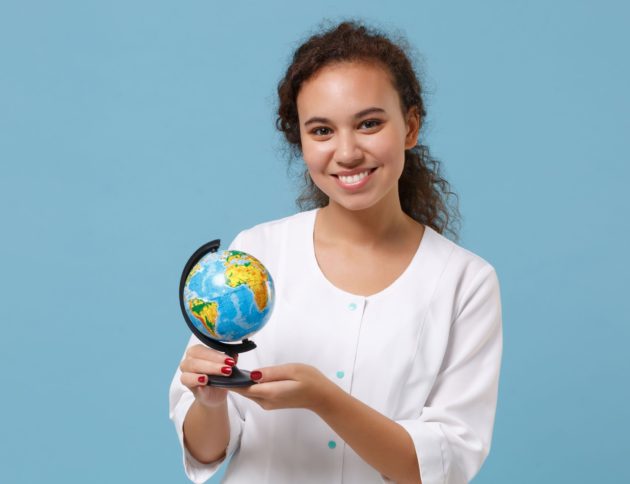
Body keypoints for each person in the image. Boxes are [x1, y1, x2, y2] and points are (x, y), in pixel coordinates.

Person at [169, 20, 502, 484]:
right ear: (301, 142)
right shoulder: (253, 257)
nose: (346, 152)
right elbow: (206, 452)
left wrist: (324, 398)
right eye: (322, 130)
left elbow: (441, 468)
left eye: (369, 124)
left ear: (410, 126)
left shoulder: (466, 282)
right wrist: (210, 399)